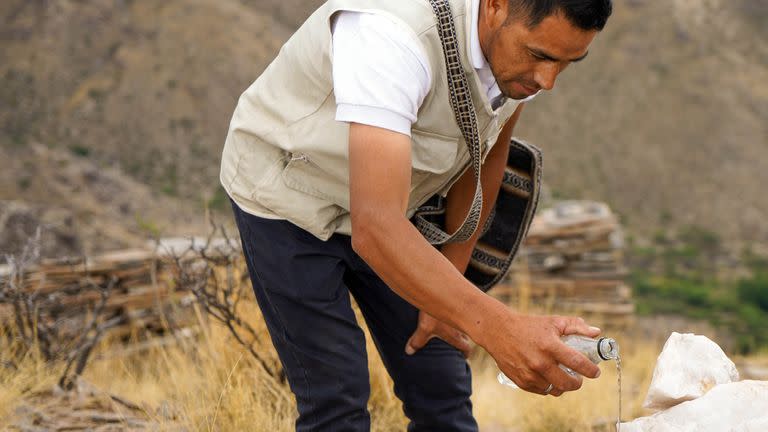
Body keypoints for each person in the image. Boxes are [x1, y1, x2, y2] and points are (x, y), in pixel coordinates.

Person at [220, 0, 613, 430]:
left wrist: (453, 279)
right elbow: (376, 231)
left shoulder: (518, 59)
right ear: (497, 5)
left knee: (441, 384)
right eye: (540, 56)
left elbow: (484, 152)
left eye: (568, 62)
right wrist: (500, 329)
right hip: (288, 202)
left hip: (392, 206)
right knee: (338, 397)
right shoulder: (389, 36)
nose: (547, 80)